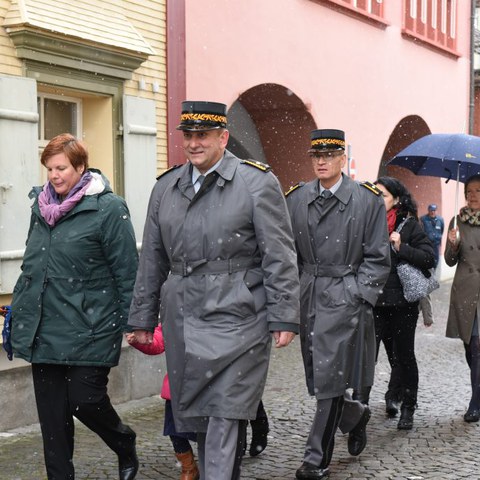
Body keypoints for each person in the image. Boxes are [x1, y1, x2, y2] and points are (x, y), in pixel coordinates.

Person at [127, 101, 300, 480]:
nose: (193, 143)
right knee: (202, 418)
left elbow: (279, 255)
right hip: (184, 318)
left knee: (225, 411)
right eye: (187, 135)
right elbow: (152, 259)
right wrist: (141, 317)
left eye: (202, 135)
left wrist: (284, 314)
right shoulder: (166, 188)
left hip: (240, 315)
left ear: (223, 137)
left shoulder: (256, 183)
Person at [10, 133, 139, 480]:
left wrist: (136, 321)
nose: (54, 175)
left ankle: (123, 441)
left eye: (61, 167)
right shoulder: (40, 209)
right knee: (52, 421)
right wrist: (17, 312)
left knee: (85, 400)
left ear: (80, 167)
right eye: (49, 168)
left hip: (91, 324)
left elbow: (127, 271)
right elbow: (32, 266)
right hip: (45, 324)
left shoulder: (109, 208)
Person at [286, 129, 391, 480]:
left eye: (329, 155)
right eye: (316, 155)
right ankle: (355, 414)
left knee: (330, 379)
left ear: (343, 158)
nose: (321, 161)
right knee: (317, 376)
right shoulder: (296, 198)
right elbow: (287, 252)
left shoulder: (367, 200)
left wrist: (358, 292)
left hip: (344, 297)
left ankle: (316, 459)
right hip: (308, 294)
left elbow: (378, 257)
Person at [365, 177, 435, 429]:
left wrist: (401, 246)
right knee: (366, 357)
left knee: (404, 356)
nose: (376, 199)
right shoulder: (367, 224)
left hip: (403, 305)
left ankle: (407, 405)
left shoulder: (410, 226)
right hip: (374, 303)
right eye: (373, 194)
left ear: (396, 199)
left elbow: (429, 258)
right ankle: (360, 407)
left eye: (382, 195)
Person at [126, 325, 199, 480]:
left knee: (210, 432)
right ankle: (189, 468)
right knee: (175, 431)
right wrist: (141, 340)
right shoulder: (177, 309)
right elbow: (159, 339)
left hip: (209, 383)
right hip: (179, 385)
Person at [445, 174, 480, 423]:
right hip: (466, 291)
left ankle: (475, 403)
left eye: (478, 191)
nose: (472, 195)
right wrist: (453, 244)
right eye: (469, 191)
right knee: (470, 349)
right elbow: (449, 260)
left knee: (478, 347)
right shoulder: (456, 221)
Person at [419, 204, 444, 326]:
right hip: (426, 247)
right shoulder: (423, 219)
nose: (433, 212)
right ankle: (430, 281)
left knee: (435, 265)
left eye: (434, 210)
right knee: (428, 269)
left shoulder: (440, 220)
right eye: (431, 210)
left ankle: (431, 280)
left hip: (436, 246)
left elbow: (442, 231)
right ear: (428, 211)